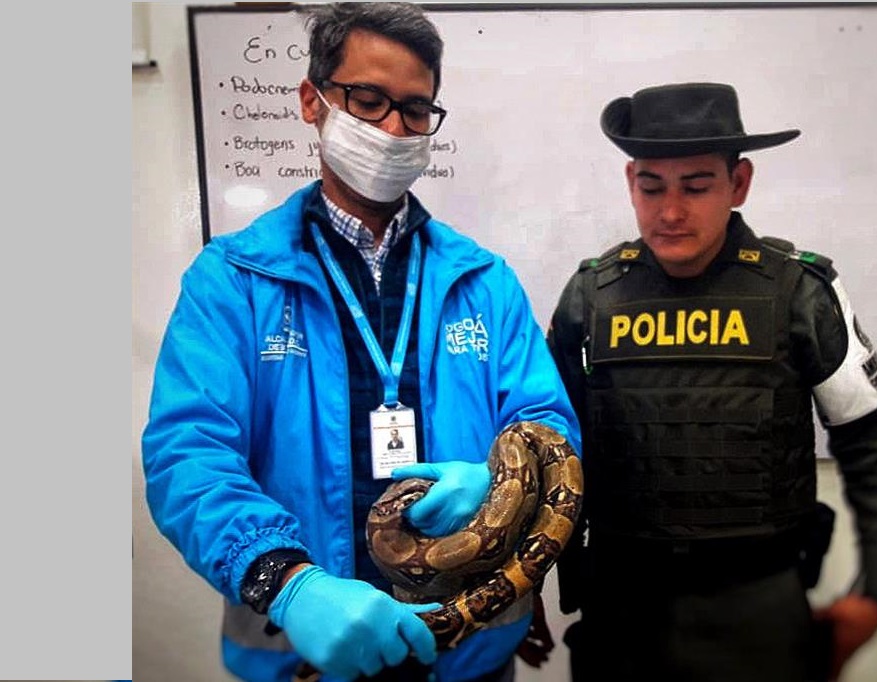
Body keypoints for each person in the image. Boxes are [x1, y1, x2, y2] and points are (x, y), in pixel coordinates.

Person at [141, 4, 580, 682]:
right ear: (312, 101)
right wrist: (286, 582)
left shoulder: (485, 281)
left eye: (415, 109)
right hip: (301, 655)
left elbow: (546, 423)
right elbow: (188, 455)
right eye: (368, 101)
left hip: (466, 657)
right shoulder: (232, 280)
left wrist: (496, 482)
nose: (393, 129)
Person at [546, 82, 877, 682]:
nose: (670, 212)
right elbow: (548, 450)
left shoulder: (797, 292)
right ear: (630, 181)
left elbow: (871, 440)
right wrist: (519, 584)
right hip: (622, 612)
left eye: (696, 187)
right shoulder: (591, 296)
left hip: (758, 612)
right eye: (652, 187)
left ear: (738, 183)